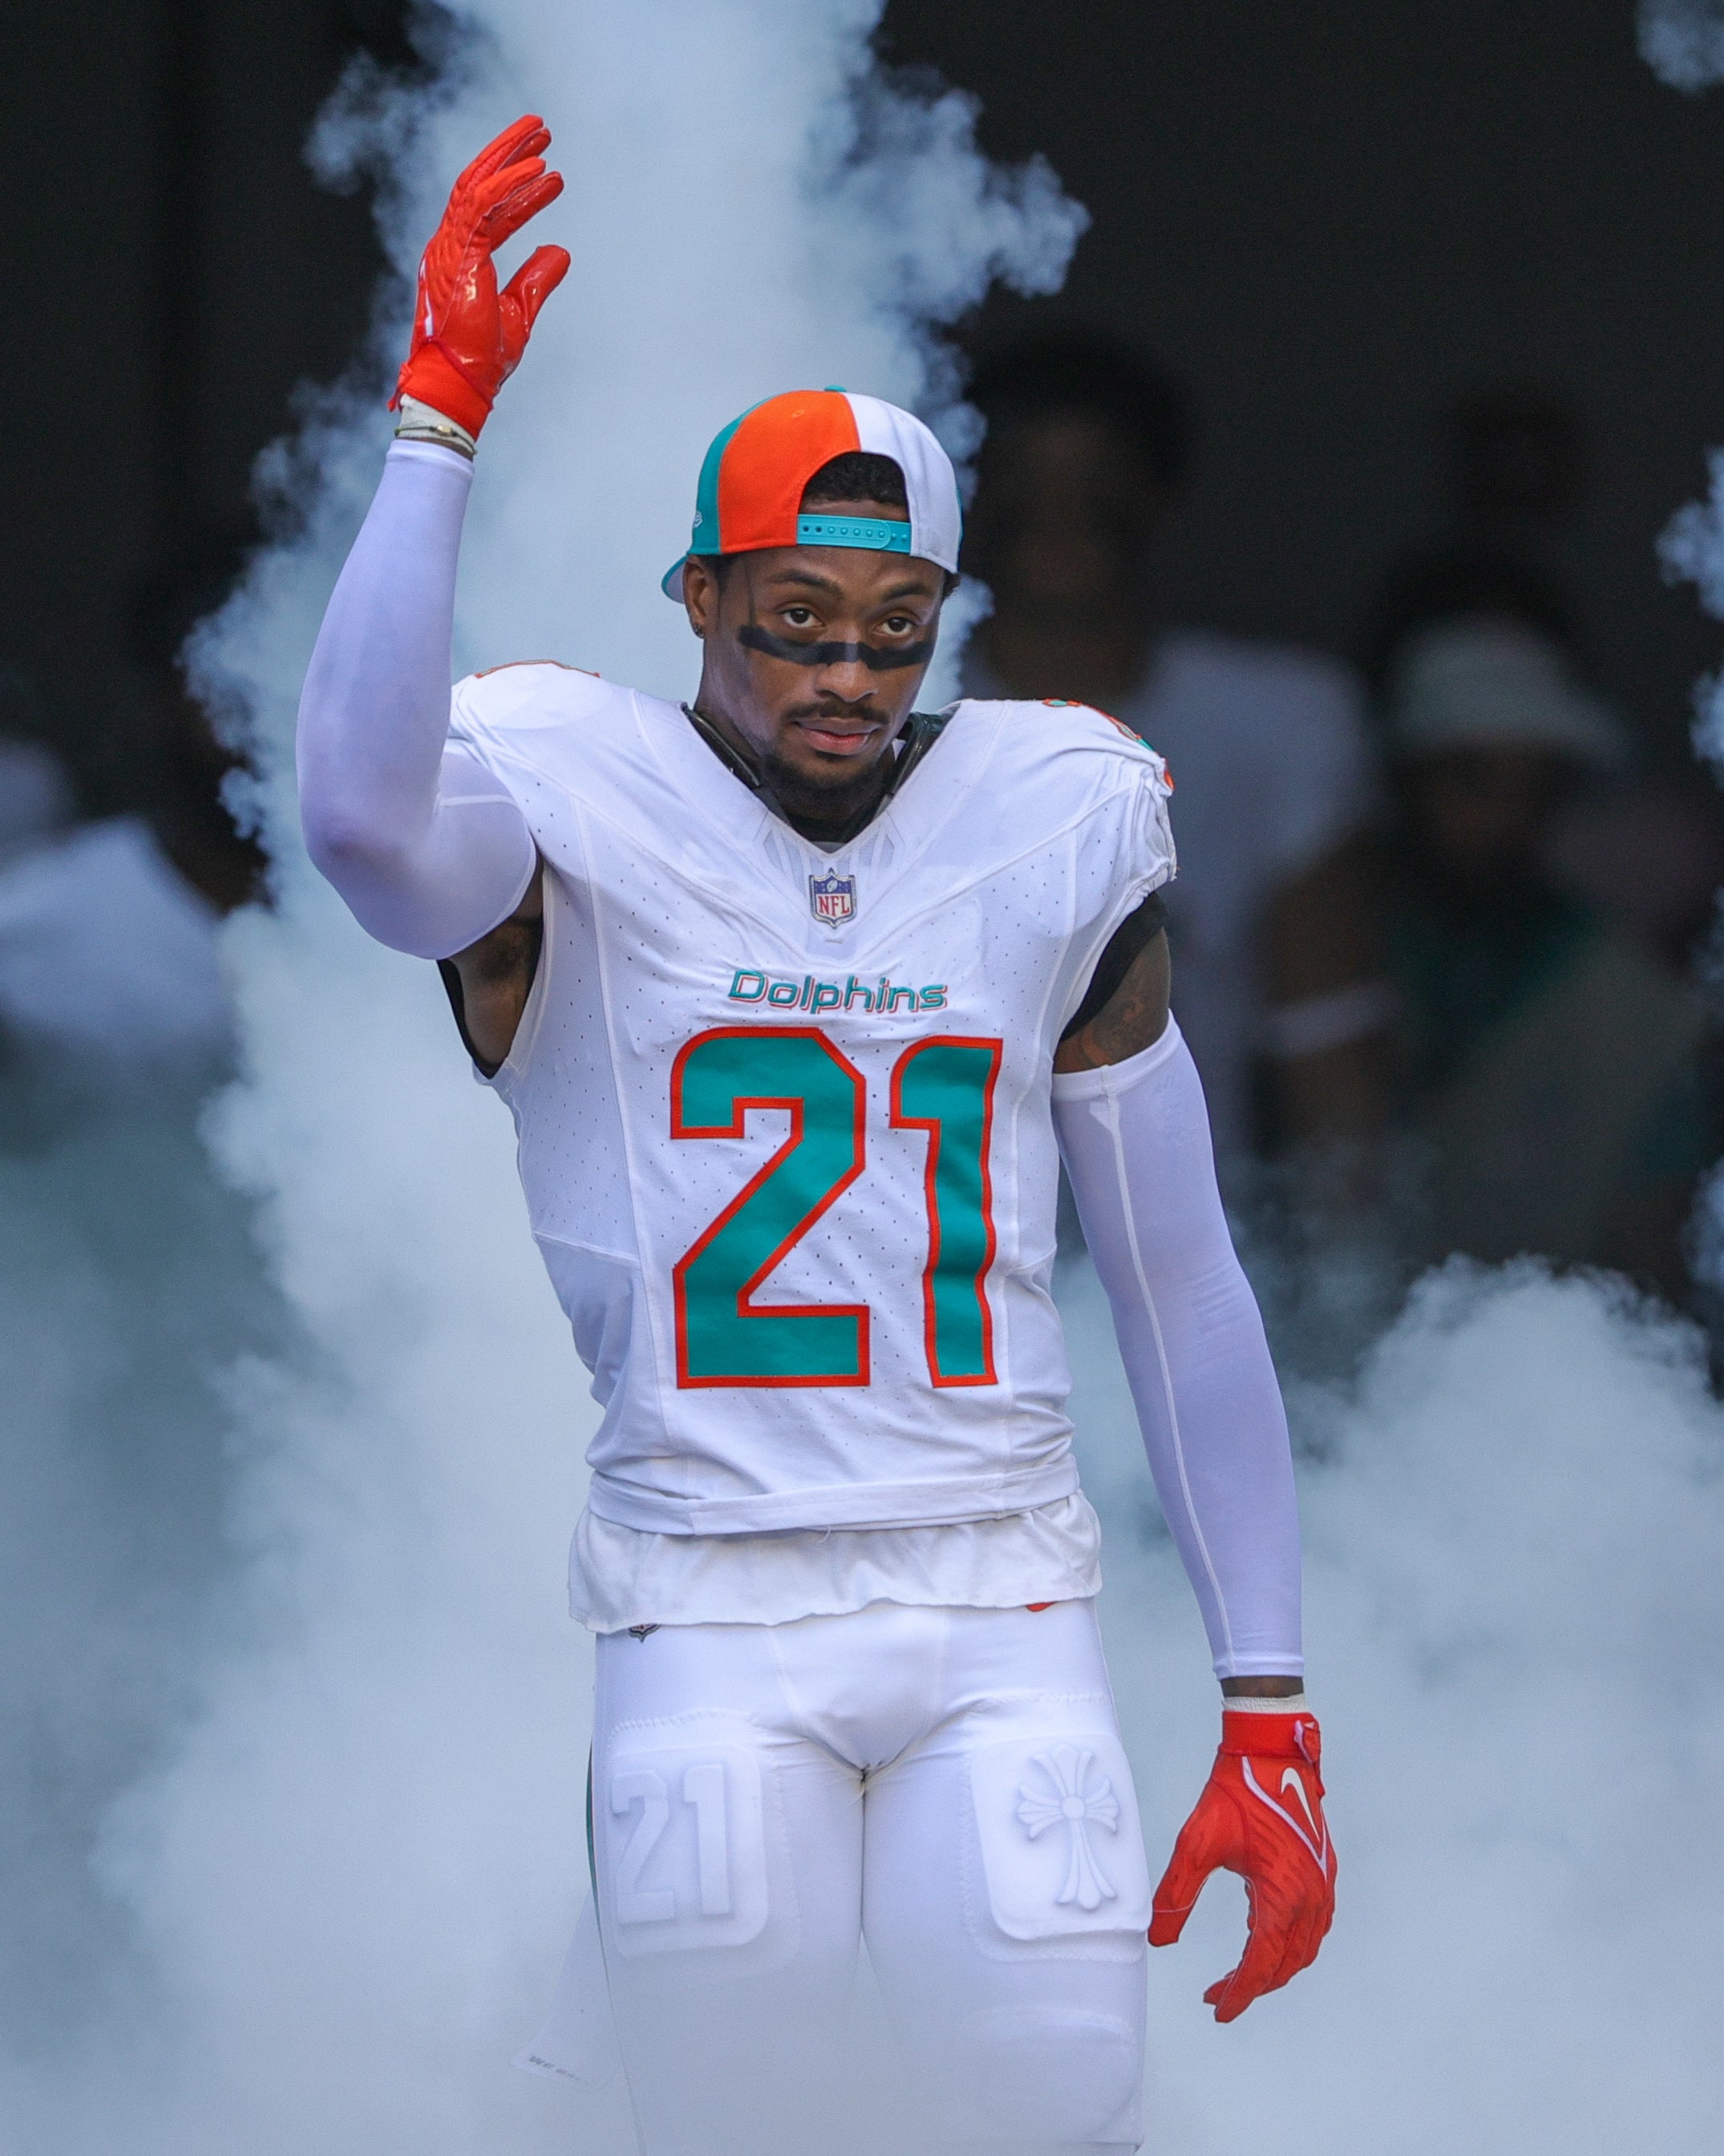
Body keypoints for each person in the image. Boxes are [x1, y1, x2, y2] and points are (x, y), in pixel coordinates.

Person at [298, 120, 1335, 2155]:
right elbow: (353, 822)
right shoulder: (564, 786)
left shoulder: (1056, 808)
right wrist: (433, 433)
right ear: (698, 595)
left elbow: (1177, 1277)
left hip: (1000, 1590)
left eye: (894, 619)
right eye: (794, 617)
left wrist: (1271, 1698)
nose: (848, 668)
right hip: (705, 1596)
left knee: (1058, 2116)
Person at [962, 334, 1390, 1169]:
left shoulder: (1274, 724)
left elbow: (1328, 1049)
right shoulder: (879, 723)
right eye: (1024, 484)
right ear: (965, 505)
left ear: (1157, 500)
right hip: (931, 1242)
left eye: (1093, 487)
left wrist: (1350, 1249)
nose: (1059, 517)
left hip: (1180, 1238)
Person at [1381, 614, 1711, 1292]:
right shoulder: (1335, 947)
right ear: (1404, 783)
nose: (1505, 819)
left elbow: (1655, 1250)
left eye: (1534, 791)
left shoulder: (1629, 999)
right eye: (1472, 779)